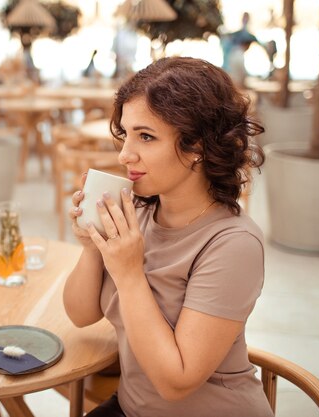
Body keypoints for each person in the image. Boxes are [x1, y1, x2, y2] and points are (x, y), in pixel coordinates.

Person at [63, 57, 272, 417]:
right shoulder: (138, 212)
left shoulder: (233, 244)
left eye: (146, 136)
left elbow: (177, 382)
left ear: (198, 147)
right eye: (125, 134)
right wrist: (93, 247)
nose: (126, 153)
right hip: (131, 407)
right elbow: (80, 315)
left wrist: (129, 274)